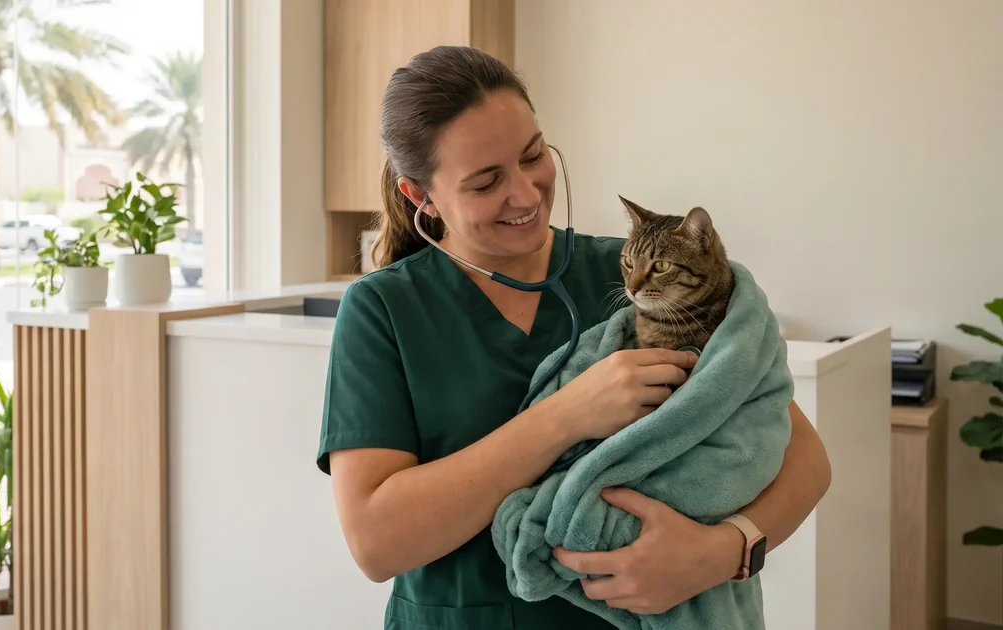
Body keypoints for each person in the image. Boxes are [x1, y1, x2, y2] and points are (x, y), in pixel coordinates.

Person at [315, 45, 831, 630]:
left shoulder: (633, 278)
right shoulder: (383, 309)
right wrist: (565, 416)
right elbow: (376, 544)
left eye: (533, 156)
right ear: (421, 197)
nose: (526, 194)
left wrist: (719, 553)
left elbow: (805, 459)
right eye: (486, 183)